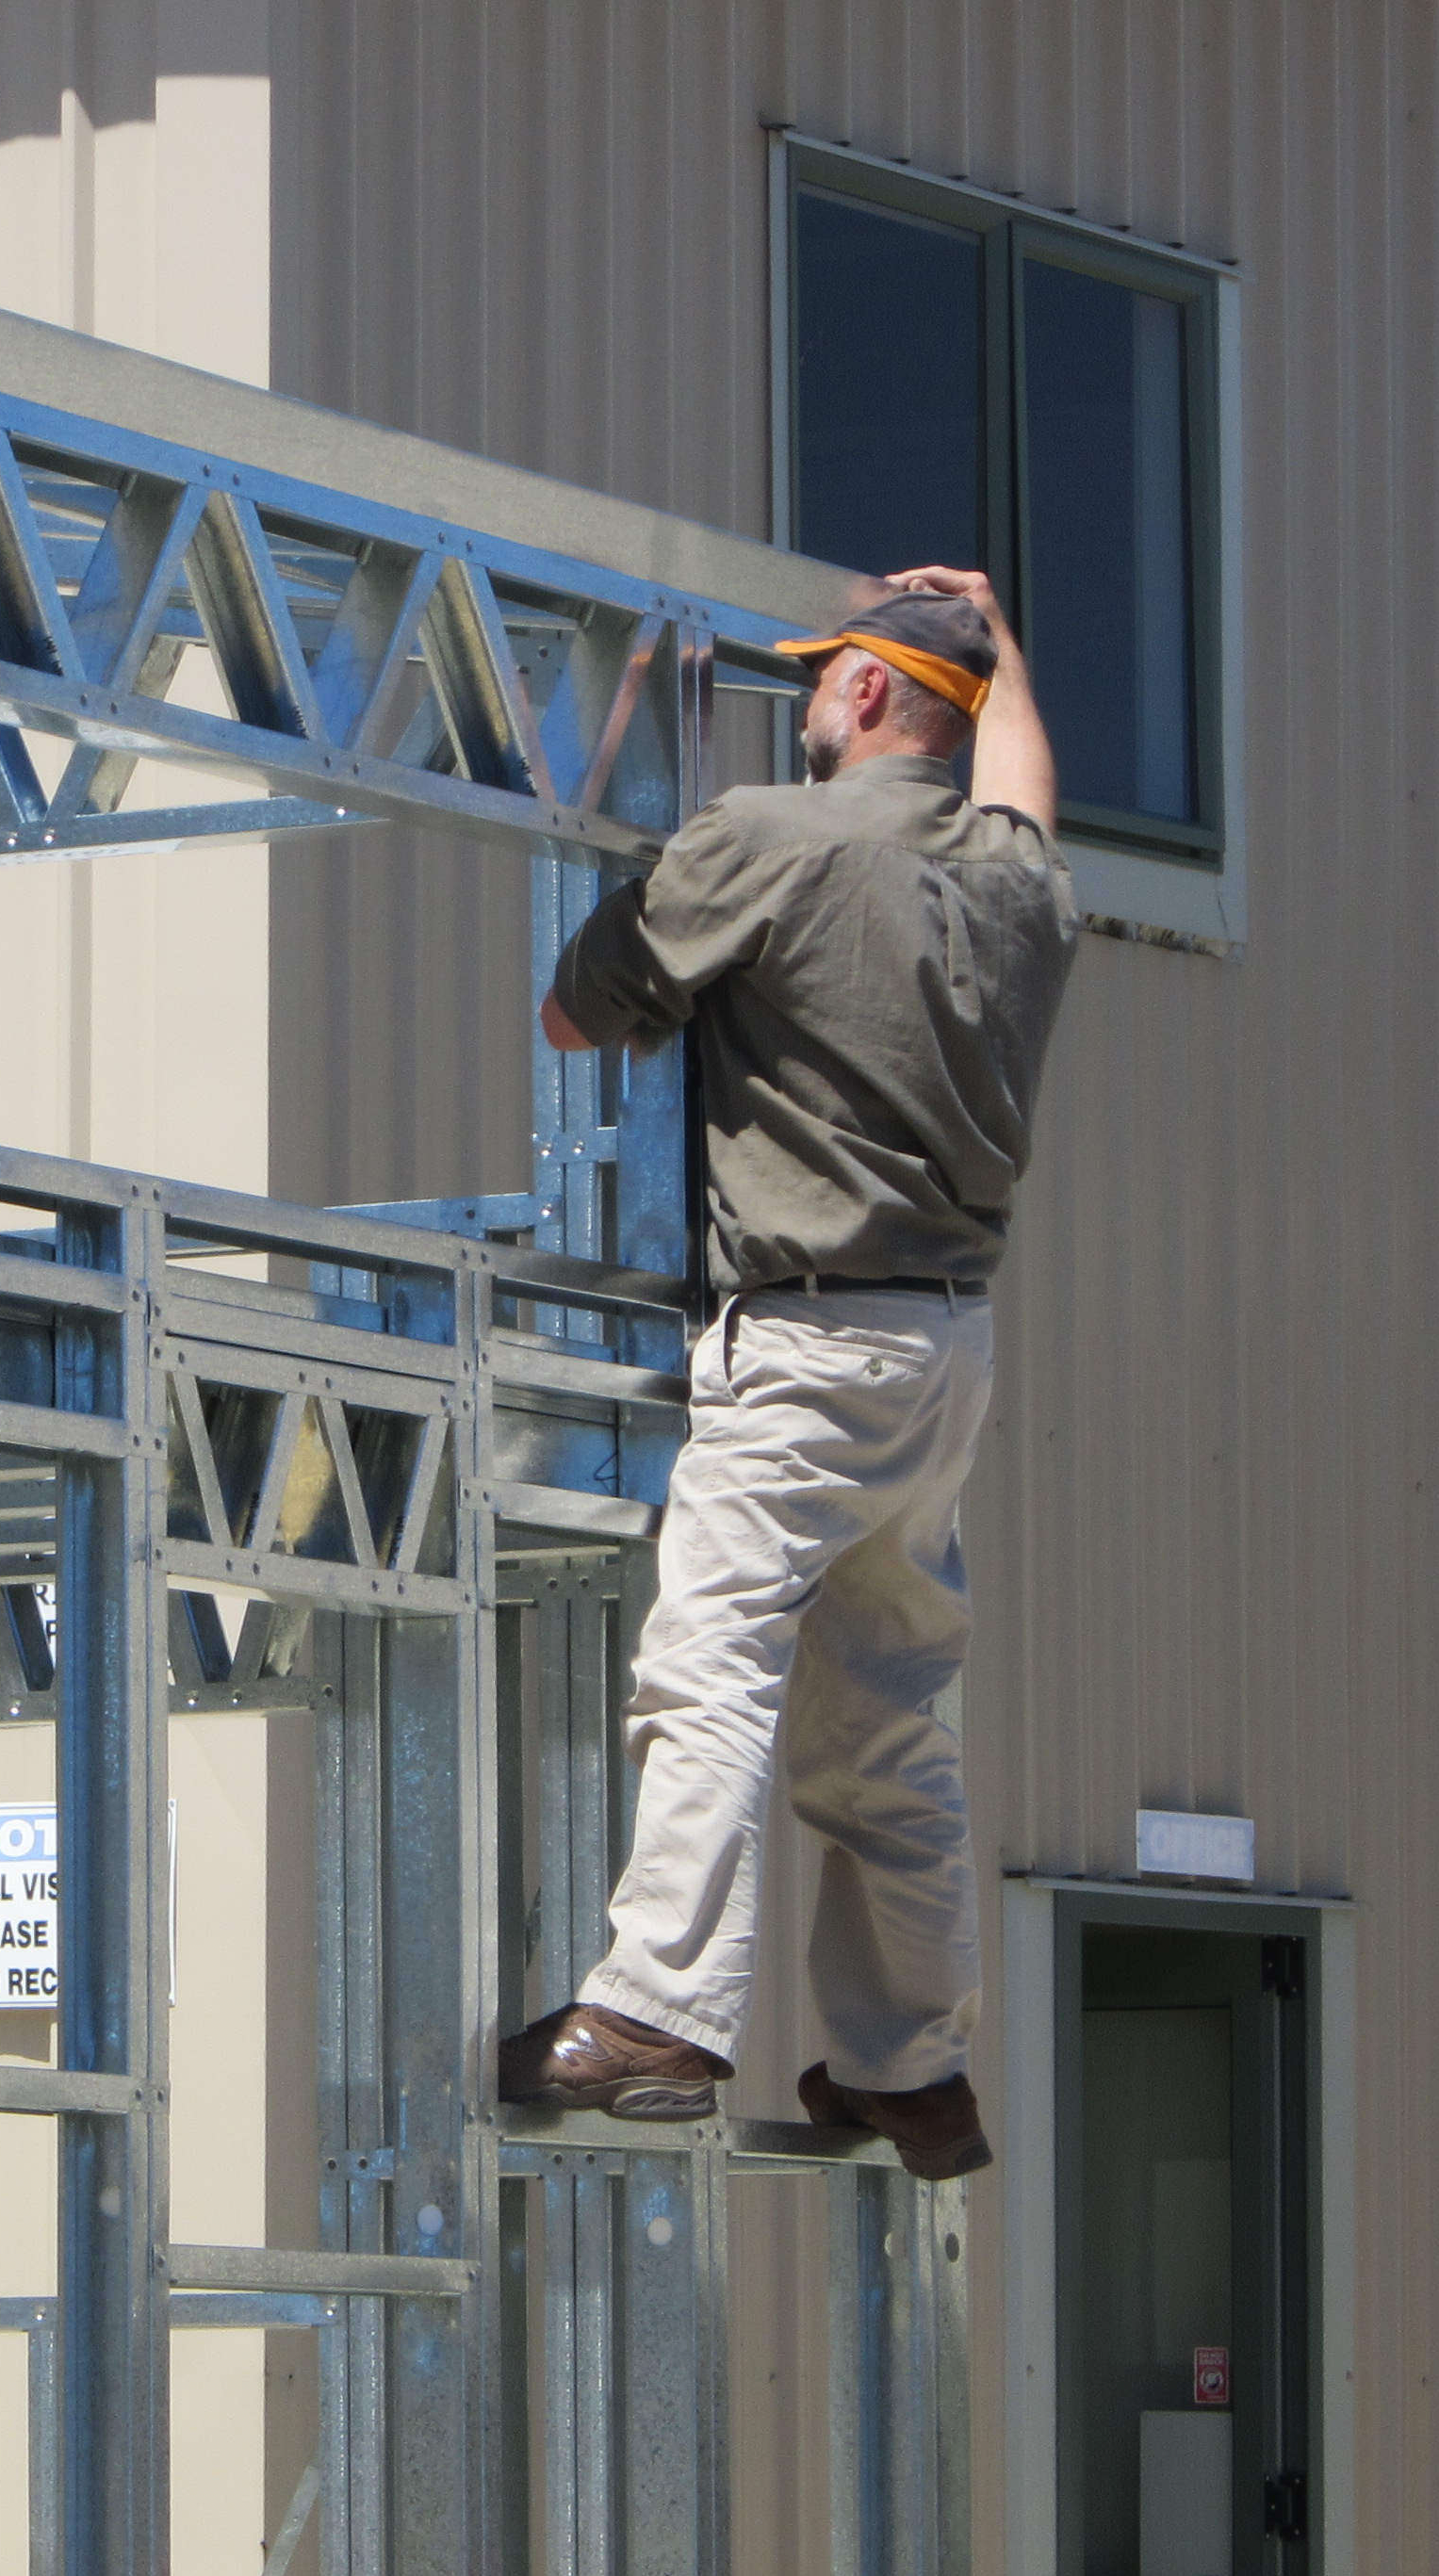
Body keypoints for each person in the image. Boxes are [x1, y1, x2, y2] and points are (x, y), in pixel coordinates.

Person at [491, 571, 1073, 2181]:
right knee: (885, 1716)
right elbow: (1023, 775)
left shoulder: (769, 837)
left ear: (870, 694)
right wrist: (1001, 642)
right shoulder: (1020, 883)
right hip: (945, 1349)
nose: (807, 698)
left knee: (713, 1669)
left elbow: (571, 1016)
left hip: (806, 1344)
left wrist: (652, 859)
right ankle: (913, 2068)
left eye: (824, 677)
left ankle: (663, 2013)